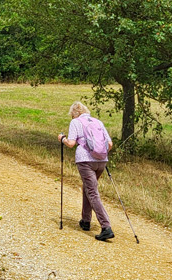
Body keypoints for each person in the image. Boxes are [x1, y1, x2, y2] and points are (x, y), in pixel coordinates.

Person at [58, 101, 115, 241]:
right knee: (88, 188)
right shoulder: (97, 122)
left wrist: (62, 139)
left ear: (74, 113)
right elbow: (110, 144)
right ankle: (85, 221)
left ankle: (106, 227)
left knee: (92, 192)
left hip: (85, 161)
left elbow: (71, 144)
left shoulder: (76, 122)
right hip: (102, 161)